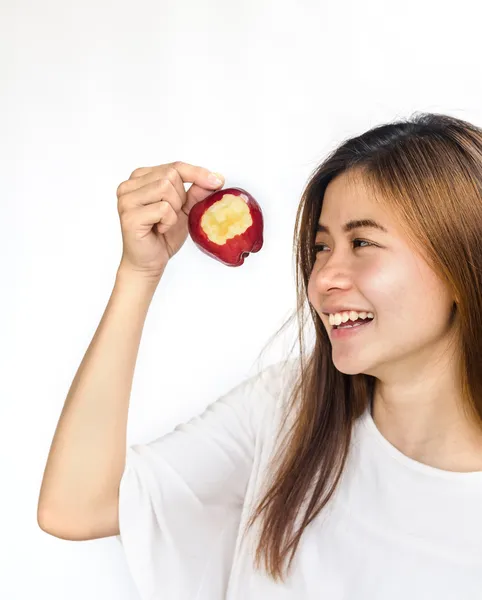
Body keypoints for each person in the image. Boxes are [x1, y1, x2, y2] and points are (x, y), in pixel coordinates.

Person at [37, 112, 482, 599]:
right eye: (320, 247)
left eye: (362, 243)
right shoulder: (288, 409)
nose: (323, 279)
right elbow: (75, 506)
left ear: (461, 260)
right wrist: (139, 273)